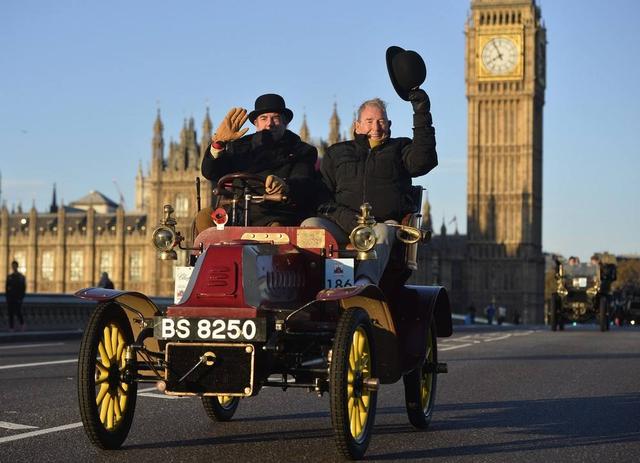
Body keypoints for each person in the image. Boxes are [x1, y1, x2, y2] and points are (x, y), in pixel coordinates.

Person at [195, 93, 319, 233]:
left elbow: (304, 181)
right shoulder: (239, 146)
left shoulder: (301, 150)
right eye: (264, 118)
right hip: (237, 211)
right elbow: (210, 172)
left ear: (285, 122)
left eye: (275, 118)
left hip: (276, 213)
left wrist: (284, 185)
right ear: (256, 123)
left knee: (277, 232)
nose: (269, 123)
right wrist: (218, 144)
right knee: (204, 217)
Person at [5, 260, 26, 331]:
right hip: (10, 297)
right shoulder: (9, 277)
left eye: (14, 266)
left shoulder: (21, 277)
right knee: (10, 313)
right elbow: (6, 288)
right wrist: (7, 298)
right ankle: (11, 327)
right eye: (12, 266)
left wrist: (21, 298)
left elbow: (23, 289)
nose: (13, 267)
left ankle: (22, 324)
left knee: (18, 312)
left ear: (17, 266)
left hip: (17, 298)